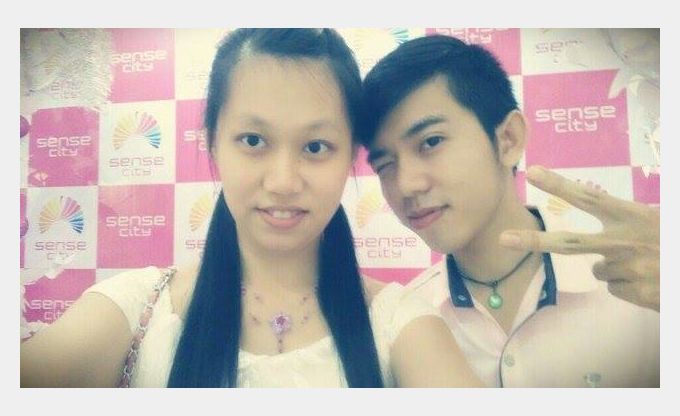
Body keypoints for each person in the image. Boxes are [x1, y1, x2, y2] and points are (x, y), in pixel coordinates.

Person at [20, 29, 483, 388]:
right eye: (254, 140)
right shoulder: (139, 307)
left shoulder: (400, 324)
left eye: (316, 146)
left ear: (349, 159)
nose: (282, 182)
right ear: (213, 145)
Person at [361, 34, 660, 387]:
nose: (405, 185)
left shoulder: (640, 281)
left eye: (431, 142)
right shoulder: (403, 321)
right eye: (385, 165)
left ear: (508, 139)